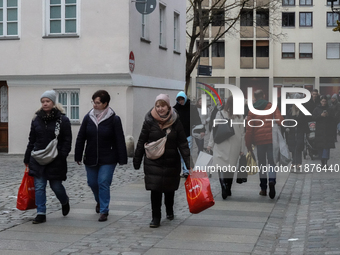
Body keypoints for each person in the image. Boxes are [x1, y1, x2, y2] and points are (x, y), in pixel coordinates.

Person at [133, 94, 191, 228]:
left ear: (168, 106)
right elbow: (142, 140)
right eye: (157, 106)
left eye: (163, 106)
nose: (160, 109)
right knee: (156, 189)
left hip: (171, 161)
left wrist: (189, 164)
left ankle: (169, 209)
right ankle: (156, 217)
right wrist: (137, 160)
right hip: (153, 160)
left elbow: (182, 143)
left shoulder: (176, 121)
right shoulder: (149, 120)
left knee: (169, 189)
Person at [75, 90, 127, 222]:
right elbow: (81, 137)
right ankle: (99, 201)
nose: (94, 105)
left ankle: (104, 210)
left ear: (105, 104)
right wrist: (78, 154)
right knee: (92, 183)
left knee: (103, 182)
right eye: (93, 102)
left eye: (97, 103)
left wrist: (122, 158)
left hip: (108, 157)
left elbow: (119, 139)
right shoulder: (88, 118)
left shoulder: (114, 119)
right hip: (91, 155)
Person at [24, 90, 72, 224]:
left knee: (56, 186)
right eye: (43, 101)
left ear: (53, 103)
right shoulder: (36, 119)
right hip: (38, 157)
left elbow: (67, 140)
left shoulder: (63, 120)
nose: (45, 104)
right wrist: (27, 157)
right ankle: (41, 213)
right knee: (39, 186)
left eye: (47, 101)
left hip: (55, 158)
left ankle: (64, 200)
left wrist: (62, 155)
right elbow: (31, 139)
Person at [245, 90, 284, 199]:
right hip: (271, 140)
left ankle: (263, 188)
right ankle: (272, 181)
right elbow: (280, 120)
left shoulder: (251, 110)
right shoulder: (271, 106)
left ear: (255, 98)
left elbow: (249, 129)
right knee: (272, 162)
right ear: (264, 95)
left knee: (262, 164)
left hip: (259, 141)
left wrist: (248, 145)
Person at [207, 96, 246, 199]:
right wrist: (242, 149)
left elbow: (214, 130)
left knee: (221, 167)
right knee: (230, 168)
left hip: (221, 142)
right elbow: (242, 134)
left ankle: (223, 185)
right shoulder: (239, 116)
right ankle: (228, 187)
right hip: (235, 144)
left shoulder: (220, 113)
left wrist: (210, 144)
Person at [173, 91, 203, 178]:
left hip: (188, 133)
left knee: (187, 152)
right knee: (179, 153)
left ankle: (186, 171)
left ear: (185, 98)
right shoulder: (175, 109)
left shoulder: (192, 108)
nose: (181, 101)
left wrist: (201, 130)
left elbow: (197, 119)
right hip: (178, 135)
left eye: (182, 99)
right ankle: (182, 169)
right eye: (179, 100)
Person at [285, 94, 308, 170]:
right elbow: (287, 120)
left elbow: (304, 121)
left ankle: (298, 162)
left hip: (300, 131)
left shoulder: (303, 111)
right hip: (291, 132)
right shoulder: (290, 110)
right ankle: (293, 162)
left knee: (299, 147)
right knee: (292, 147)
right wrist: (287, 127)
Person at [313, 96, 335, 168]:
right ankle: (322, 161)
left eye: (325, 101)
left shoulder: (330, 109)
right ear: (320, 101)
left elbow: (333, 118)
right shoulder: (317, 109)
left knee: (326, 147)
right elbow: (314, 118)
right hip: (319, 130)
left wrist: (327, 115)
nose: (324, 103)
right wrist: (321, 116)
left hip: (328, 130)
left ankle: (325, 162)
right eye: (323, 101)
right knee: (320, 147)